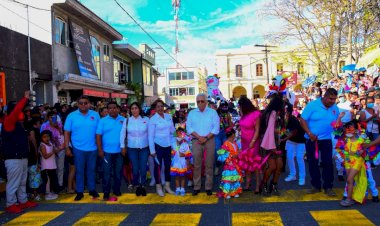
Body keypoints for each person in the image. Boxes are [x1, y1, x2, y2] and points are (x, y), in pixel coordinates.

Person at [1, 91, 38, 213]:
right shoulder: (9, 121)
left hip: (21, 157)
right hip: (13, 158)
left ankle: (22, 201)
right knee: (14, 182)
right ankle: (10, 203)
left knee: (22, 181)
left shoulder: (17, 124)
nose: (23, 112)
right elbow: (16, 111)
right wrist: (25, 99)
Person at [299, 88, 340, 196]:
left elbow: (336, 123)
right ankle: (315, 186)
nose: (332, 101)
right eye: (330, 99)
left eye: (334, 99)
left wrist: (339, 125)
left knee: (328, 163)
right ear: (325, 96)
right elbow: (302, 120)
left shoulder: (335, 108)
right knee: (313, 163)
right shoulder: (312, 105)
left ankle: (328, 187)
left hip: (327, 139)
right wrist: (309, 133)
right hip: (312, 140)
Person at [64, 95, 100, 201]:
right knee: (79, 171)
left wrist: (100, 147)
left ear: (89, 104)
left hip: (93, 148)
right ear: (77, 104)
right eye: (81, 103)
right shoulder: (71, 116)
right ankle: (79, 192)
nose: (83, 105)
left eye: (85, 103)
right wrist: (67, 148)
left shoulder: (95, 115)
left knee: (92, 170)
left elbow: (99, 132)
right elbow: (66, 133)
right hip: (78, 148)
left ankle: (92, 189)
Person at [187, 93, 220, 196]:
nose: (200, 103)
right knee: (197, 164)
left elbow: (216, 128)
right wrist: (199, 137)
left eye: (202, 101)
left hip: (209, 140)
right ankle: (196, 187)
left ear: (206, 102)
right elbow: (189, 127)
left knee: (209, 164)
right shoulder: (192, 113)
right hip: (196, 140)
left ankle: (208, 187)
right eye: (198, 101)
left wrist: (205, 138)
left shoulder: (213, 112)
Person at [96, 101, 125, 201]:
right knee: (106, 173)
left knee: (118, 173)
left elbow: (126, 135)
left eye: (114, 108)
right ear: (107, 110)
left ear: (118, 109)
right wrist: (100, 150)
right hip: (106, 152)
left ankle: (117, 190)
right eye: (110, 108)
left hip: (119, 152)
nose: (112, 110)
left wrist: (124, 148)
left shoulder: (123, 120)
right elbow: (98, 136)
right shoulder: (102, 121)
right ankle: (106, 192)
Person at [120, 102, 150, 196]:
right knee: (135, 169)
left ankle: (143, 185)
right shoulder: (127, 120)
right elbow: (122, 134)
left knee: (143, 168)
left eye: (136, 108)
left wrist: (152, 148)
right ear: (130, 110)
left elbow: (150, 134)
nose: (134, 110)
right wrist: (122, 147)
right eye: (132, 108)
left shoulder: (146, 119)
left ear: (139, 109)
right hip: (132, 148)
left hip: (144, 147)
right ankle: (137, 185)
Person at [335, 121, 367, 206]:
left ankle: (349, 199)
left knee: (349, 179)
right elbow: (342, 149)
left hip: (357, 161)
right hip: (348, 160)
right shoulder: (345, 140)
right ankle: (351, 198)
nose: (348, 132)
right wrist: (340, 155)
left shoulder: (361, 140)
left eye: (351, 130)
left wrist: (362, 151)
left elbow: (367, 150)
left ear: (356, 130)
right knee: (350, 181)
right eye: (347, 130)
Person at [259, 94, 285, 196]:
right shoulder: (272, 113)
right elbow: (270, 130)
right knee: (272, 167)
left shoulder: (276, 113)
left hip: (276, 143)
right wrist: (272, 146)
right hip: (269, 143)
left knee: (279, 166)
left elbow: (278, 129)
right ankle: (264, 185)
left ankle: (273, 185)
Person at [149, 99, 175, 196]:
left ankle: (167, 186)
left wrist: (179, 137)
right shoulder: (153, 119)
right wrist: (152, 150)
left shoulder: (168, 116)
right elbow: (150, 136)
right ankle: (158, 186)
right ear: (155, 108)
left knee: (168, 166)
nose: (160, 108)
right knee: (158, 167)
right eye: (158, 106)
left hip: (168, 145)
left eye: (161, 106)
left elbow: (172, 130)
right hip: (158, 146)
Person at [237, 96, 261, 193]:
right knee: (246, 163)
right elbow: (242, 127)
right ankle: (247, 183)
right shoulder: (243, 115)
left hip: (253, 142)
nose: (239, 108)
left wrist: (253, 141)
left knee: (255, 164)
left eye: (240, 106)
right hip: (244, 142)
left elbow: (257, 130)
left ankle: (258, 185)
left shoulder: (256, 114)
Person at [281, 103, 306, 186]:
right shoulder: (282, 119)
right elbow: (283, 130)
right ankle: (292, 175)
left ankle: (302, 177)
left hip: (300, 140)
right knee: (290, 157)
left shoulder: (293, 119)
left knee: (299, 158)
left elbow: (294, 132)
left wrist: (283, 139)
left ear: (287, 111)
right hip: (290, 141)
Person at [41, 112, 65, 192]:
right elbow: (42, 137)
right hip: (49, 148)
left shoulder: (59, 124)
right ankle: (51, 188)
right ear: (48, 118)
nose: (53, 119)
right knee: (51, 169)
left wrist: (58, 127)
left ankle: (60, 185)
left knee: (60, 167)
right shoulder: (44, 126)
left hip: (60, 148)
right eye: (51, 117)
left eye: (54, 117)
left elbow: (62, 135)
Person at [217, 128, 242, 199]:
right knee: (228, 179)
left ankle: (234, 192)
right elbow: (223, 155)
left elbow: (236, 152)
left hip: (235, 164)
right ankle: (227, 193)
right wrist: (231, 157)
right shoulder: (226, 143)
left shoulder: (235, 143)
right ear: (233, 134)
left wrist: (238, 153)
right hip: (229, 164)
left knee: (235, 178)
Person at [170, 127, 192, 196]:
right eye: (178, 133)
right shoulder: (173, 144)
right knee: (176, 177)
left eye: (181, 133)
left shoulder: (185, 145)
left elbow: (188, 155)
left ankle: (182, 189)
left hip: (183, 163)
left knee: (183, 177)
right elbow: (172, 153)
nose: (179, 134)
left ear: (183, 135)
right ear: (176, 134)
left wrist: (188, 164)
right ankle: (177, 188)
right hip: (176, 163)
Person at [39, 130, 60, 200]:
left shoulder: (50, 143)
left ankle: (50, 193)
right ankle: (47, 194)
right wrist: (53, 152)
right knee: (47, 180)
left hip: (52, 165)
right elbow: (45, 156)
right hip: (46, 166)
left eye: (48, 136)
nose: (46, 138)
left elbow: (55, 150)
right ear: (41, 138)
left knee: (52, 180)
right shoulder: (42, 145)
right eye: (44, 137)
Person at [214, 101, 233, 176]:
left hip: (225, 133)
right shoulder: (216, 114)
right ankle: (217, 166)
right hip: (217, 134)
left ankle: (227, 168)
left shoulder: (228, 114)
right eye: (223, 106)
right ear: (220, 106)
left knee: (226, 150)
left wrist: (230, 127)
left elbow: (230, 123)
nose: (225, 108)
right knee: (217, 151)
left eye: (226, 106)